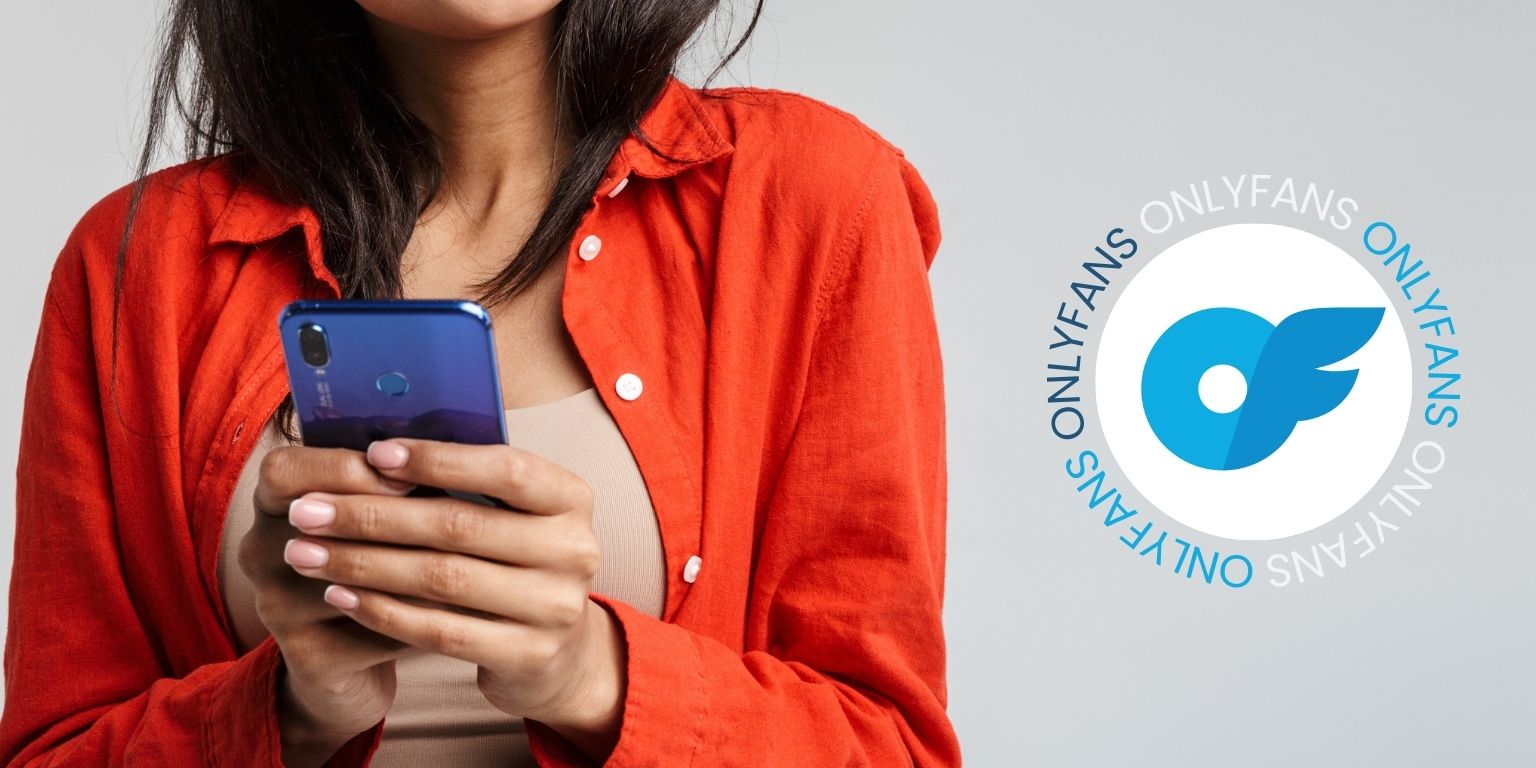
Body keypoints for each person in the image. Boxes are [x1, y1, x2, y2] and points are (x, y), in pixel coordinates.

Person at [1, 1, 959, 765]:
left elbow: (893, 746)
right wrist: (293, 711)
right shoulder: (138, 266)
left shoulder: (813, 203)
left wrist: (592, 677)